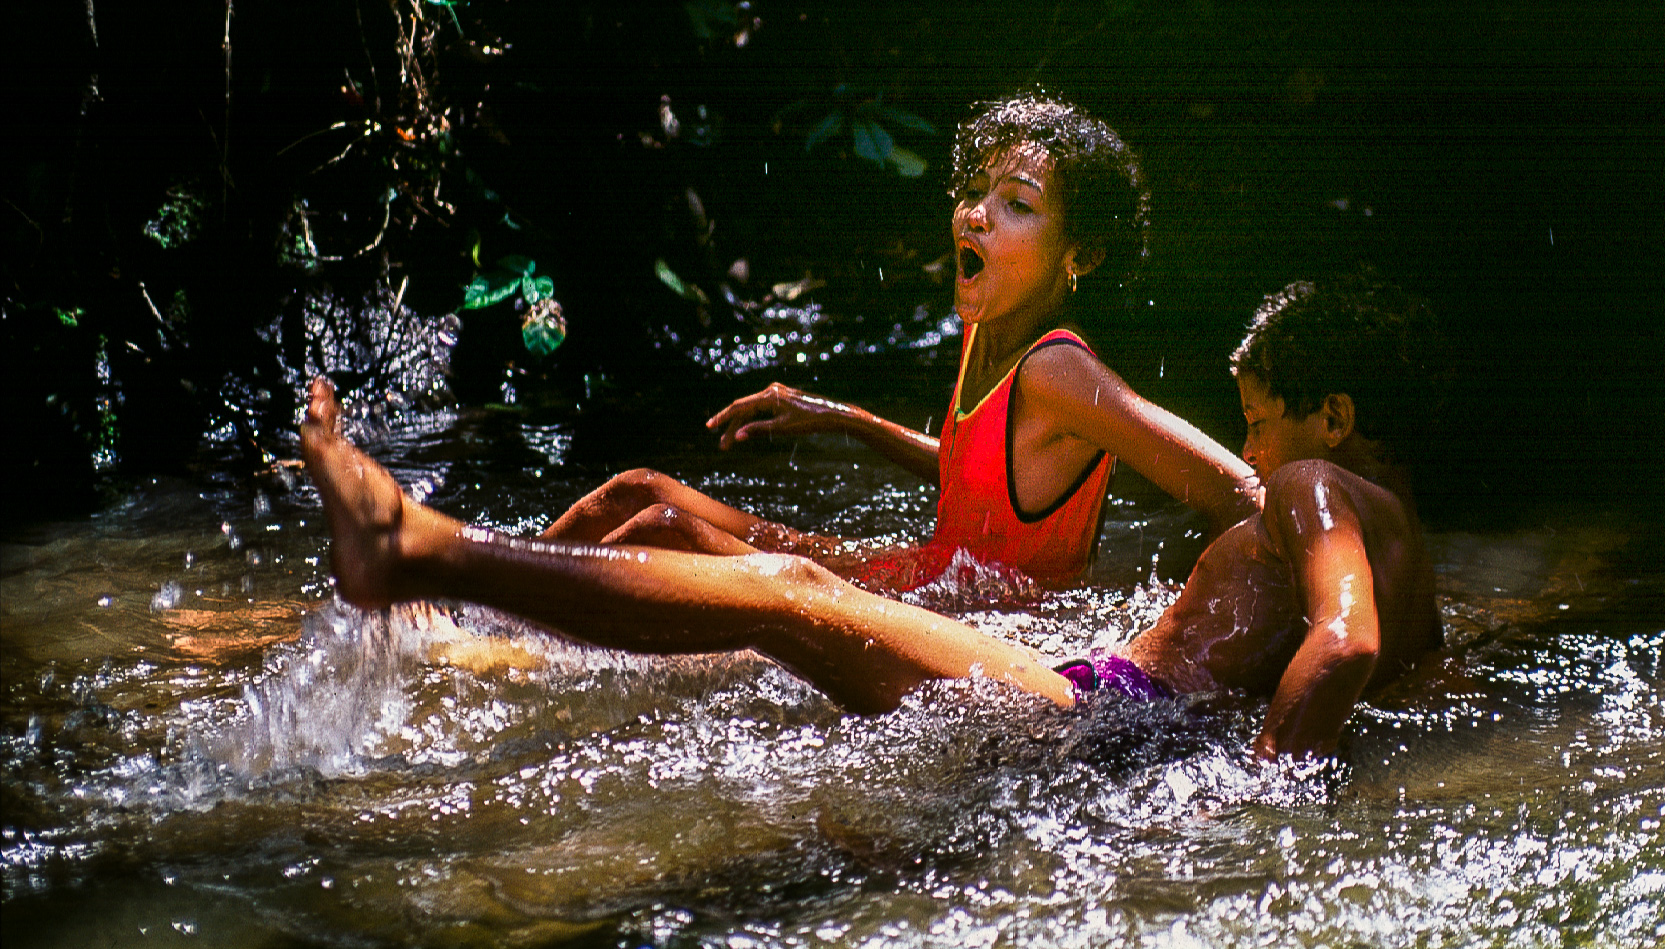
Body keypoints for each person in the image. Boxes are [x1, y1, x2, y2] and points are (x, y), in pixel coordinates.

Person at [301, 273, 1446, 761]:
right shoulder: (1416, 554)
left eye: (1258, 421)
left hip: (1106, 712)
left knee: (788, 597)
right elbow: (1402, 669)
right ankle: (457, 605)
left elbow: (1342, 644)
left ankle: (421, 548)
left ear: (1333, 415)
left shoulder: (1310, 487)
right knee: (776, 614)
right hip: (1118, 718)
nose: (1250, 452)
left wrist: (1266, 791)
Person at [539, 94, 1259, 592]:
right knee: (634, 493)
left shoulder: (1061, 369)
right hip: (922, 576)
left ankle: (494, 636)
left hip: (969, 626)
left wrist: (1207, 624)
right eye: (975, 190)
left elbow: (1243, 494)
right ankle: (468, 612)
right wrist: (840, 418)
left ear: (1082, 255)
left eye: (1018, 205)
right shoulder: (985, 330)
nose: (976, 215)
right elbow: (975, 483)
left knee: (668, 527)